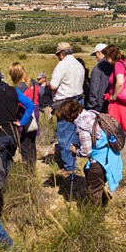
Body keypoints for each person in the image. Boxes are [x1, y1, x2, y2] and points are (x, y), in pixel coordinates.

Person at [54, 100, 123, 206]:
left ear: (69, 117)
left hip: (99, 161)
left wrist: (75, 150)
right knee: (90, 173)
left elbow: (86, 151)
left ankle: (95, 213)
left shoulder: (82, 127)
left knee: (93, 190)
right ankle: (103, 197)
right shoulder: (91, 114)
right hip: (110, 154)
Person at [0, 70, 35, 171]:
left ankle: (5, 184)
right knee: (9, 160)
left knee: (0, 165)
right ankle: (12, 182)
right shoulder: (14, 90)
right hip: (13, 133)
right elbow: (30, 105)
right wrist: (22, 122)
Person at [49, 42, 85, 174]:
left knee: (64, 134)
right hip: (78, 100)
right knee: (75, 132)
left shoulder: (62, 65)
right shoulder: (79, 64)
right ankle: (75, 159)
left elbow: (53, 86)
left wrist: (47, 85)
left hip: (65, 102)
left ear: (61, 54)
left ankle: (69, 167)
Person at [8, 62, 40, 170]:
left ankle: (28, 170)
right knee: (32, 142)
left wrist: (20, 122)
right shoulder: (34, 83)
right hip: (34, 115)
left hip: (23, 116)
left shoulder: (18, 88)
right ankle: (33, 166)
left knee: (24, 145)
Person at [87, 43, 113, 113]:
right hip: (113, 102)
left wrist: (91, 106)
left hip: (100, 105)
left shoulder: (97, 68)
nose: (96, 58)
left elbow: (94, 89)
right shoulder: (115, 64)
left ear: (98, 53)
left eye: (95, 55)